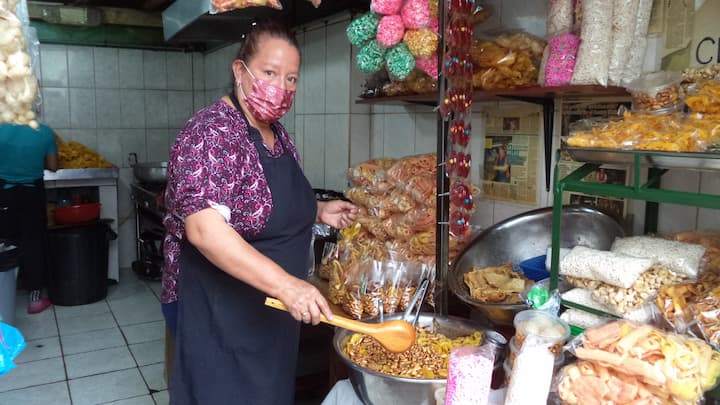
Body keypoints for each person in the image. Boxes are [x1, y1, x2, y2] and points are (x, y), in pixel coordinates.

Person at [162, 20, 357, 404]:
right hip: (221, 313)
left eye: (292, 79)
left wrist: (317, 211)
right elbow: (204, 229)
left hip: (269, 312)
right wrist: (288, 285)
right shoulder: (211, 132)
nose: (281, 88)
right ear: (240, 70)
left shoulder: (277, 132)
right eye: (270, 73)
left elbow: (260, 205)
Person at [0, 122, 58, 314]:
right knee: (33, 242)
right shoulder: (45, 131)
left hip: (4, 193)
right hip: (32, 193)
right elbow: (52, 165)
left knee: (5, 242)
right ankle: (35, 299)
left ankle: (5, 296)